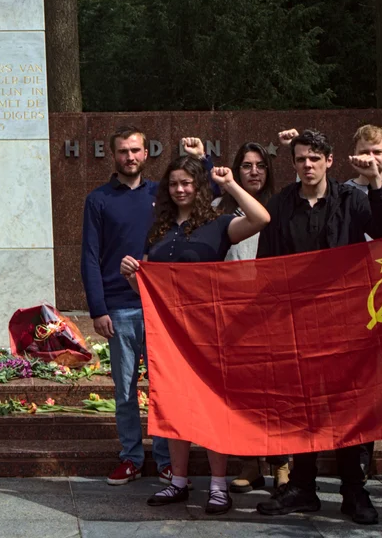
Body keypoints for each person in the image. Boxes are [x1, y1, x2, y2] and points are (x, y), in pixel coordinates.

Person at [254, 129, 382, 526]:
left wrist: (377, 180)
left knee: (348, 406)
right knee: (302, 406)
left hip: (346, 321)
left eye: (315, 158)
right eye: (300, 159)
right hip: (296, 322)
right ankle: (303, 486)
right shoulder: (282, 204)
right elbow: (268, 265)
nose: (307, 165)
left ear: (330, 161)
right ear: (294, 162)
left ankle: (354, 489)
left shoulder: (353, 199)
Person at [120, 156, 270, 513]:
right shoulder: (159, 229)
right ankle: (179, 482)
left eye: (187, 182)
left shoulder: (218, 224)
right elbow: (148, 287)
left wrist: (230, 184)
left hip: (209, 330)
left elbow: (261, 218)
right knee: (174, 405)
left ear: (199, 187)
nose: (180, 189)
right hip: (169, 334)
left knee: (211, 407)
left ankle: (218, 486)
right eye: (173, 184)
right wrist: (132, 275)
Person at [82, 130, 207, 486]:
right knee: (125, 389)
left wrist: (201, 159)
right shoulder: (99, 200)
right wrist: (97, 308)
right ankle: (132, 457)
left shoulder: (162, 194)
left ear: (146, 152)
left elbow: (204, 196)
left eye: (135, 149)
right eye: (123, 151)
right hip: (119, 308)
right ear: (113, 155)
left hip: (162, 307)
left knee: (163, 387)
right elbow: (89, 258)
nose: (130, 156)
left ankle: (166, 459)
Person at [218, 131, 295, 494]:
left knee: (278, 394)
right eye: (246, 166)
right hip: (234, 314)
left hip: (273, 312)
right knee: (243, 395)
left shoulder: (280, 206)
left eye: (260, 166)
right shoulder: (221, 210)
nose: (253, 172)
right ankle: (250, 464)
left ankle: (282, 463)